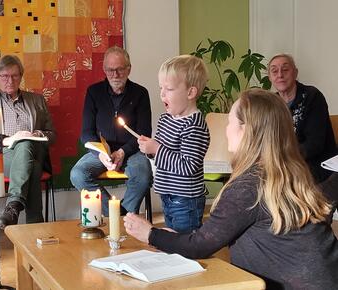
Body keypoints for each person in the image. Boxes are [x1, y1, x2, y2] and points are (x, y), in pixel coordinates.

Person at [124, 88, 338, 290]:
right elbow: (214, 234)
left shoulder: (250, 184)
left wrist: (150, 233)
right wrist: (171, 237)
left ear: (246, 130)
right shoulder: (292, 173)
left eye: (229, 121)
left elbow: (200, 246)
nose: (226, 129)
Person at [0, 55, 56, 228]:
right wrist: (9, 140)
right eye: (5, 76)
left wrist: (36, 134)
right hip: (1, 158)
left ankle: (13, 206)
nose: (10, 80)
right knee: (32, 164)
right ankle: (34, 227)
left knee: (26, 147)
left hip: (33, 151)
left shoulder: (37, 101)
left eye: (15, 76)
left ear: (21, 77)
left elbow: (52, 135)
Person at [70, 46, 152, 216]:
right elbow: (86, 133)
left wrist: (122, 152)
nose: (115, 75)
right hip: (101, 152)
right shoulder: (94, 92)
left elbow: (144, 133)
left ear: (129, 69)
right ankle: (117, 214)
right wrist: (101, 154)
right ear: (104, 69)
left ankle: (125, 215)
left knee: (143, 177)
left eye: (120, 69)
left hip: (132, 151)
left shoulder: (141, 93)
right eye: (110, 70)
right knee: (78, 174)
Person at [137, 55, 209, 233]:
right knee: (171, 239)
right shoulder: (166, 119)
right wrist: (149, 149)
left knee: (184, 243)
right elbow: (159, 154)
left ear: (190, 92)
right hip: (167, 195)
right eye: (161, 88)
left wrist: (157, 149)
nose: (162, 94)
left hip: (186, 200)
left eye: (168, 89)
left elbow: (188, 166)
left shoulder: (194, 125)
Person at [268, 53, 337, 183]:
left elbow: (314, 145)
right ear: (270, 78)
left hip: (317, 165)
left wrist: (283, 158)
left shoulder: (312, 97)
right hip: (284, 165)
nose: (280, 75)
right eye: (274, 71)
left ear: (295, 73)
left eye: (285, 69)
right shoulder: (272, 103)